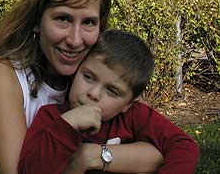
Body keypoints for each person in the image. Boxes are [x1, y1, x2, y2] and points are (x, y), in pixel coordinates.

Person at [0, 0, 164, 174]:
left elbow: (158, 151)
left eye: (89, 22)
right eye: (63, 19)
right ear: (37, 20)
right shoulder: (3, 74)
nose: (74, 40)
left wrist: (90, 155)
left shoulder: (95, 75)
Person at [18, 29, 200, 174]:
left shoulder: (135, 116)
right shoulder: (51, 118)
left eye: (112, 90)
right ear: (76, 71)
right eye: (88, 77)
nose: (94, 94)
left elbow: (184, 147)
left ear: (128, 103)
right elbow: (30, 170)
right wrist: (68, 125)